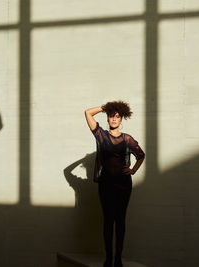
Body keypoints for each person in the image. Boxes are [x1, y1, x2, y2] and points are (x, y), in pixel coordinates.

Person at [84, 101, 145, 267]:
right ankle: (108, 257)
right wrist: (106, 107)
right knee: (108, 220)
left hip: (123, 184)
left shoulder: (127, 139)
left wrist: (132, 170)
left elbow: (141, 155)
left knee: (120, 220)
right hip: (106, 184)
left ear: (121, 119)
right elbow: (88, 112)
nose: (114, 119)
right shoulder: (101, 136)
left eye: (117, 116)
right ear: (108, 118)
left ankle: (118, 258)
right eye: (112, 116)